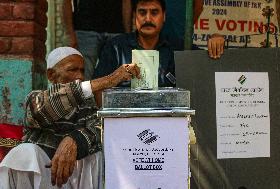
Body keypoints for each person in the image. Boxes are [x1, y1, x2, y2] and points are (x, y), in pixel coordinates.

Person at [0, 47, 140, 189]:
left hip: (75, 179)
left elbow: (102, 128)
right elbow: (48, 107)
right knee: (24, 153)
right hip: (44, 178)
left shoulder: (89, 105)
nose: (79, 76)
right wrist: (109, 80)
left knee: (97, 155)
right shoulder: (36, 99)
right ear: (51, 75)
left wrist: (75, 139)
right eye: (72, 70)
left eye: (82, 71)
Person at [94, 0, 175, 89]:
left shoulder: (175, 49)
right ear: (134, 16)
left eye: (154, 13)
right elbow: (97, 90)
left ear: (164, 16)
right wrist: (114, 78)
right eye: (142, 12)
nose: (148, 19)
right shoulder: (115, 47)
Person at [63, 0, 132, 80]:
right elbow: (66, 2)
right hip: (86, 30)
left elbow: (126, 2)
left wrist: (127, 35)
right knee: (84, 78)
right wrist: (70, 33)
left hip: (114, 29)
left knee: (115, 80)